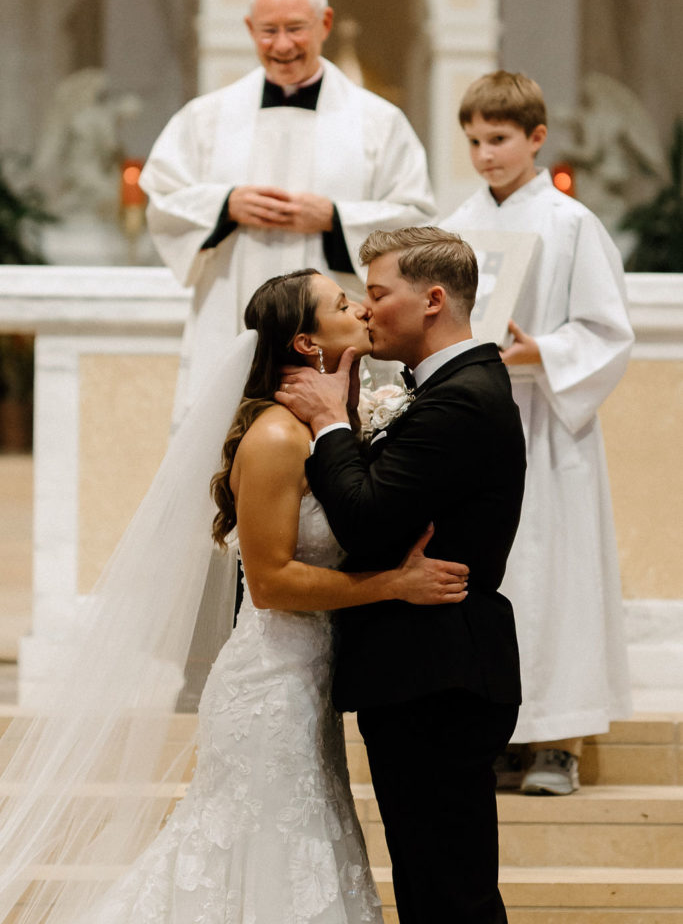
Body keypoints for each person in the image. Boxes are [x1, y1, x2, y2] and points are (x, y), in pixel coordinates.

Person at [0, 269, 470, 924]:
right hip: (268, 688)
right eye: (341, 304)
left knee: (301, 849)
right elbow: (273, 583)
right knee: (259, 851)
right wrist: (394, 584)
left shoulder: (326, 425)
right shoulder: (277, 437)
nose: (359, 306)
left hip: (308, 678)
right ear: (307, 343)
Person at [278, 228, 527, 924]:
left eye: (379, 293)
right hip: (421, 670)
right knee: (430, 887)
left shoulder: (460, 398)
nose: (366, 309)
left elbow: (366, 521)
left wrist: (329, 422)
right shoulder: (446, 387)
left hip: (437, 671)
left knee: (451, 894)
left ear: (433, 300)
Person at [441, 70, 635, 795]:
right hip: (478, 422)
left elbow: (607, 330)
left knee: (554, 574)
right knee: (497, 576)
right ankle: (499, 731)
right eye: (473, 141)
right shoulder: (457, 226)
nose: (485, 154)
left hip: (549, 420)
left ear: (535, 139)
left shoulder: (570, 224)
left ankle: (557, 740)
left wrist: (540, 352)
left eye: (498, 139)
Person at [139, 0, 436, 421]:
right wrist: (225, 205)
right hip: (230, 317)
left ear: (325, 24)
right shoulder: (206, 118)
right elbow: (162, 199)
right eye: (268, 30)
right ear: (249, 28)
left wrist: (335, 219)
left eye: (295, 28)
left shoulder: (378, 122)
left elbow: (414, 218)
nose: (281, 45)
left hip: (334, 330)